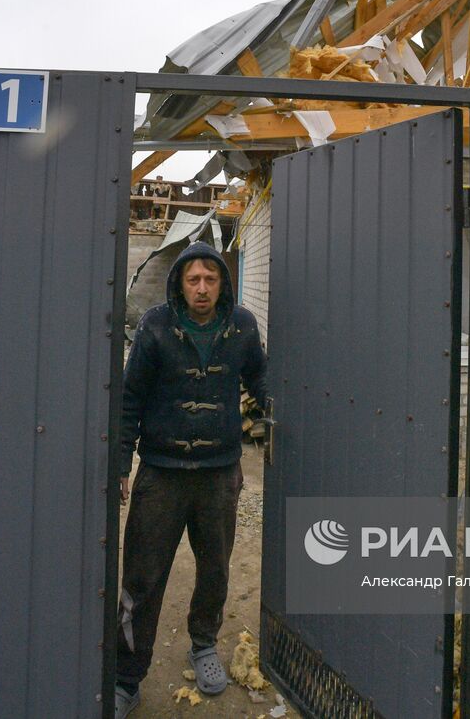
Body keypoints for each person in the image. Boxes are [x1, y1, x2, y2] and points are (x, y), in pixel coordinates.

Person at [114, 241, 268, 718]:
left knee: (215, 569)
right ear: (180, 282)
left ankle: (203, 646)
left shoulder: (241, 325)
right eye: (193, 280)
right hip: (161, 472)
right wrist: (122, 464)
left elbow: (262, 382)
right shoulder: (155, 326)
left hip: (220, 474)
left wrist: (278, 424)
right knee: (141, 577)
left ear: (222, 282)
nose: (202, 288)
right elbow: (130, 398)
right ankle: (126, 676)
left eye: (211, 279)